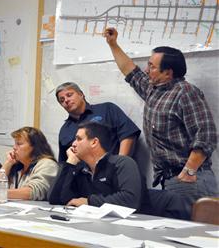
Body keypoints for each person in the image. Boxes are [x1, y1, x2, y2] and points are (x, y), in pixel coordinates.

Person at [103, 27, 217, 209]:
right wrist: (113, 44)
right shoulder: (153, 90)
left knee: (195, 235)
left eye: (152, 66)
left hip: (191, 179)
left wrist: (189, 170)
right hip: (171, 179)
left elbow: (206, 135)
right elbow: (129, 70)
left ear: (168, 73)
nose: (147, 70)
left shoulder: (185, 92)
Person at [49, 121, 189, 219]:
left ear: (94, 142)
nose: (73, 144)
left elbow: (130, 200)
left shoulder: (122, 163)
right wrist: (70, 163)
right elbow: (56, 199)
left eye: (78, 139)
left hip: (156, 221)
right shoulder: (81, 169)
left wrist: (89, 201)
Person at [55, 82, 141, 162]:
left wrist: (120, 166)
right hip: (82, 177)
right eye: (62, 100)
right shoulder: (64, 131)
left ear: (81, 94)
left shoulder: (106, 109)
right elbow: (64, 163)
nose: (66, 100)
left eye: (69, 95)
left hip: (113, 172)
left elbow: (128, 134)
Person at [0, 127, 58, 201]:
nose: (14, 147)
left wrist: (2, 193)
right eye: (14, 144)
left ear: (34, 147)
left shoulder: (47, 164)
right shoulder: (17, 166)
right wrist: (8, 163)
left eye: (19, 144)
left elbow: (35, 191)